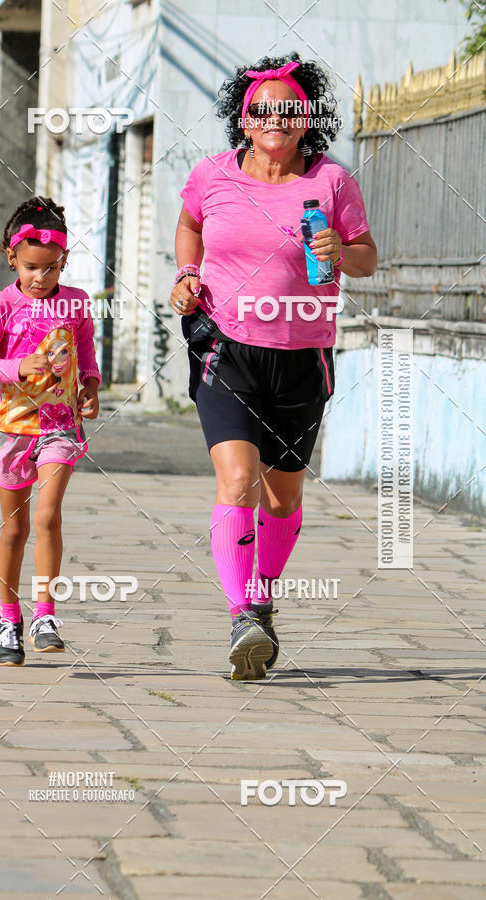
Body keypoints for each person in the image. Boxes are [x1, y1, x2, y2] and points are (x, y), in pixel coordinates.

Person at [171, 53, 377, 680]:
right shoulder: (212, 175)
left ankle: (261, 592)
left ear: (306, 117)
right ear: (244, 117)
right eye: (263, 110)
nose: (276, 120)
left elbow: (368, 258)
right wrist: (185, 275)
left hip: (302, 357)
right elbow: (189, 225)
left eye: (289, 110)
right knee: (236, 479)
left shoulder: (331, 183)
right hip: (226, 348)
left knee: (282, 499)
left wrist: (342, 249)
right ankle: (242, 617)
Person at [0, 197, 101, 666]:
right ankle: (9, 619)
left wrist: (90, 385)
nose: (40, 279)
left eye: (50, 268)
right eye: (30, 268)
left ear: (64, 260)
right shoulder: (2, 305)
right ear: (12, 258)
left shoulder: (78, 303)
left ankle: (45, 614)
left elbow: (85, 349)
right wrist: (16, 366)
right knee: (14, 530)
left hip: (59, 427)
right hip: (13, 431)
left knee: (47, 516)